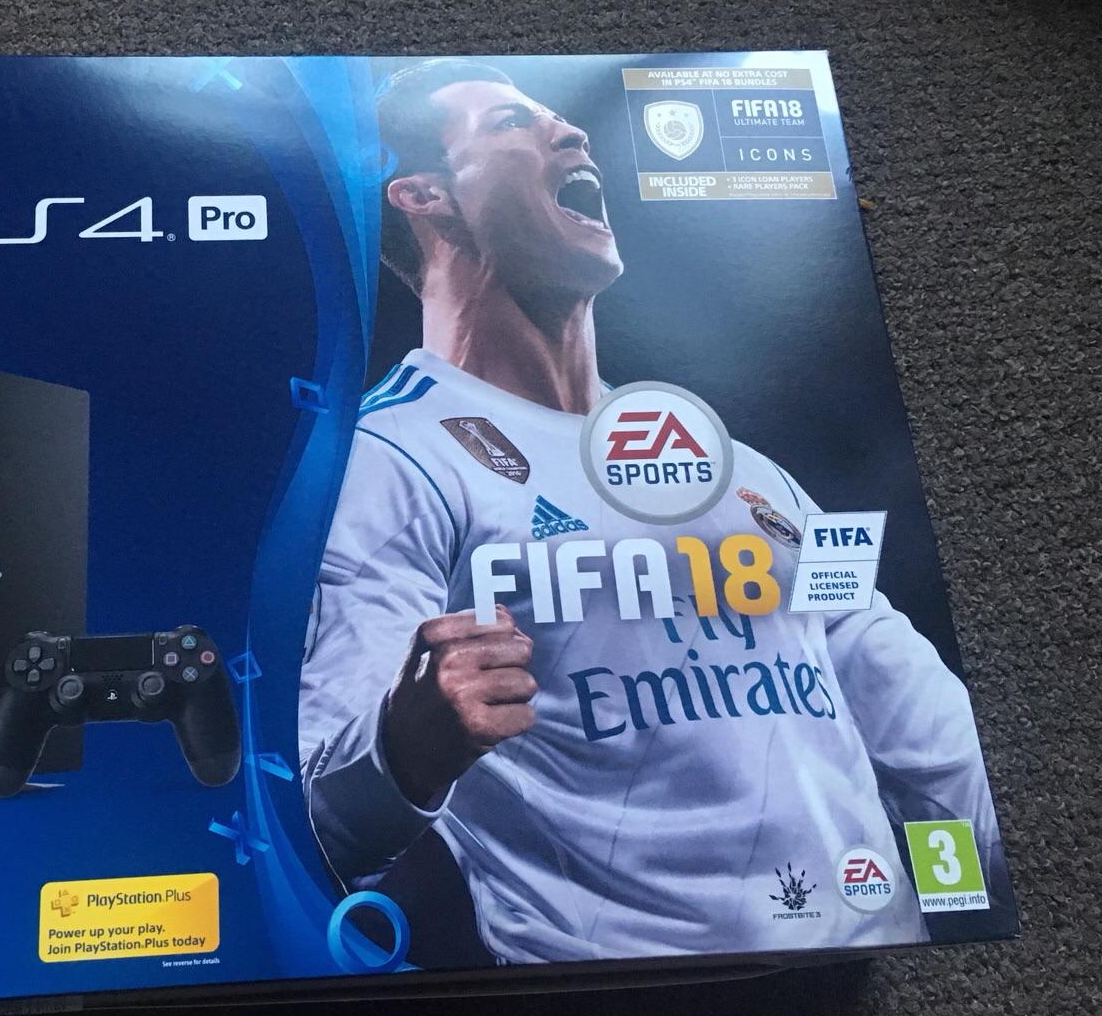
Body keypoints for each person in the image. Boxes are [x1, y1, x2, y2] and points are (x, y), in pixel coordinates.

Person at [298, 59, 1008, 964]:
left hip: (874, 945)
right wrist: (404, 746)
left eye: (560, 118)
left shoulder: (737, 462)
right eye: (513, 122)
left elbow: (908, 696)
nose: (573, 132)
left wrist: (1009, 887)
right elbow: (318, 818)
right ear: (426, 195)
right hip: (624, 992)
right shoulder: (389, 458)